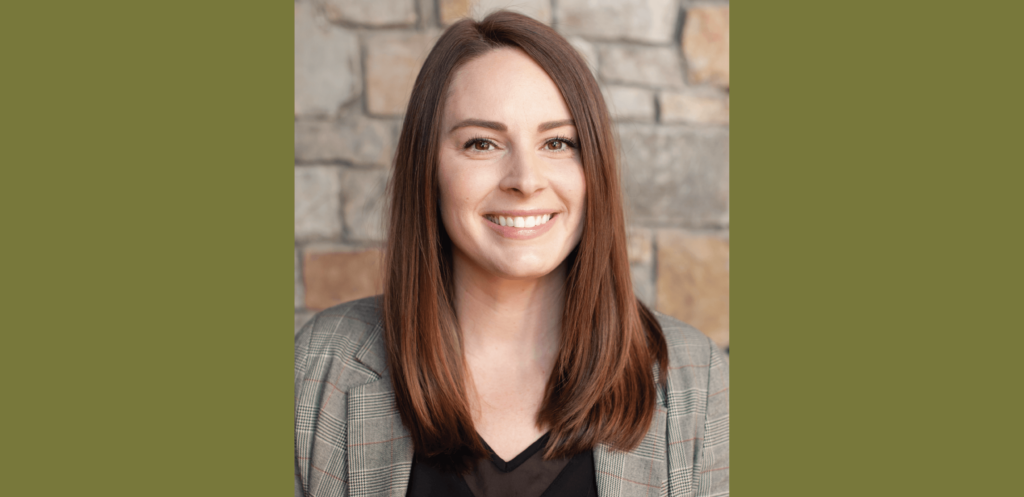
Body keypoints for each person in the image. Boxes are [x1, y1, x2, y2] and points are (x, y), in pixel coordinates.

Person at [294, 11, 728, 497]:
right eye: (482, 143)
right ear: (428, 168)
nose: (525, 179)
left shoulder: (698, 381)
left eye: (557, 143)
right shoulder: (319, 368)